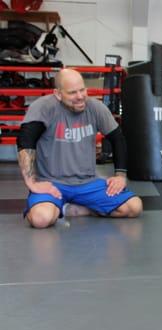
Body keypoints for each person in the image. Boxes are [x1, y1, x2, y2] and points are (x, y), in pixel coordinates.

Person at [17, 68, 143, 228]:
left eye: (82, 90)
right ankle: (58, 206)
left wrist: (120, 175)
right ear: (58, 93)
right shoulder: (44, 108)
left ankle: (72, 209)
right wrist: (31, 183)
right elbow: (25, 142)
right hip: (52, 184)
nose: (80, 96)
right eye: (72, 93)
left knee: (134, 207)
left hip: (87, 183)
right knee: (41, 219)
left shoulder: (95, 108)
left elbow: (117, 138)